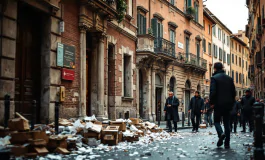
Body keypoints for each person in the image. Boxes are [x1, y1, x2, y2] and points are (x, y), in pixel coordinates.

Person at [210, 62, 236, 149]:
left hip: (218, 104)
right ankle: (227, 143)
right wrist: (232, 103)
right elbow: (233, 93)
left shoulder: (214, 78)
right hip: (228, 104)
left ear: (215, 69)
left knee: (217, 121)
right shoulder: (230, 78)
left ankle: (221, 134)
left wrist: (212, 103)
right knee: (227, 123)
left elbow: (213, 92)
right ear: (222, 68)